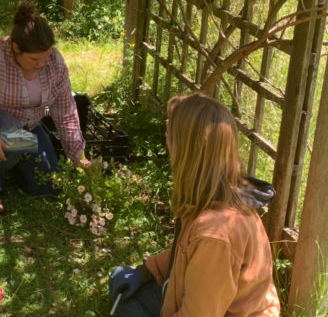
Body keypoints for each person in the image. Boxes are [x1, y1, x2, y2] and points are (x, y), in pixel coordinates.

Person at [108, 93, 281, 316]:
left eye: (170, 134)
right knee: (120, 280)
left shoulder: (215, 235)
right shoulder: (213, 196)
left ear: (188, 151)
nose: (165, 136)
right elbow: (184, 253)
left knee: (129, 305)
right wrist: (145, 272)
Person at [0, 1, 87, 218]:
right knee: (11, 137)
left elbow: (65, 110)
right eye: (34, 59)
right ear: (16, 48)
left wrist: (78, 155)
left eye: (46, 56)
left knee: (48, 187)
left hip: (28, 126)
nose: (42, 63)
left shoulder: (54, 61)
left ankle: (1, 160)